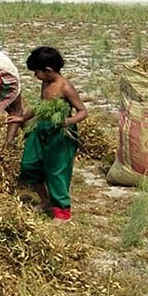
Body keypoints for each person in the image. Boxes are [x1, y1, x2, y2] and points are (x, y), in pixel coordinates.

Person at [9, 47, 87, 222]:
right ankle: (45, 200)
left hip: (60, 133)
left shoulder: (65, 87)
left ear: (48, 70)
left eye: (37, 72)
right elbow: (40, 106)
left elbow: (83, 111)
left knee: (57, 171)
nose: (35, 76)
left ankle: (62, 211)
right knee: (29, 165)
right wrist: (21, 118)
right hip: (40, 129)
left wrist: (68, 121)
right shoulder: (46, 83)